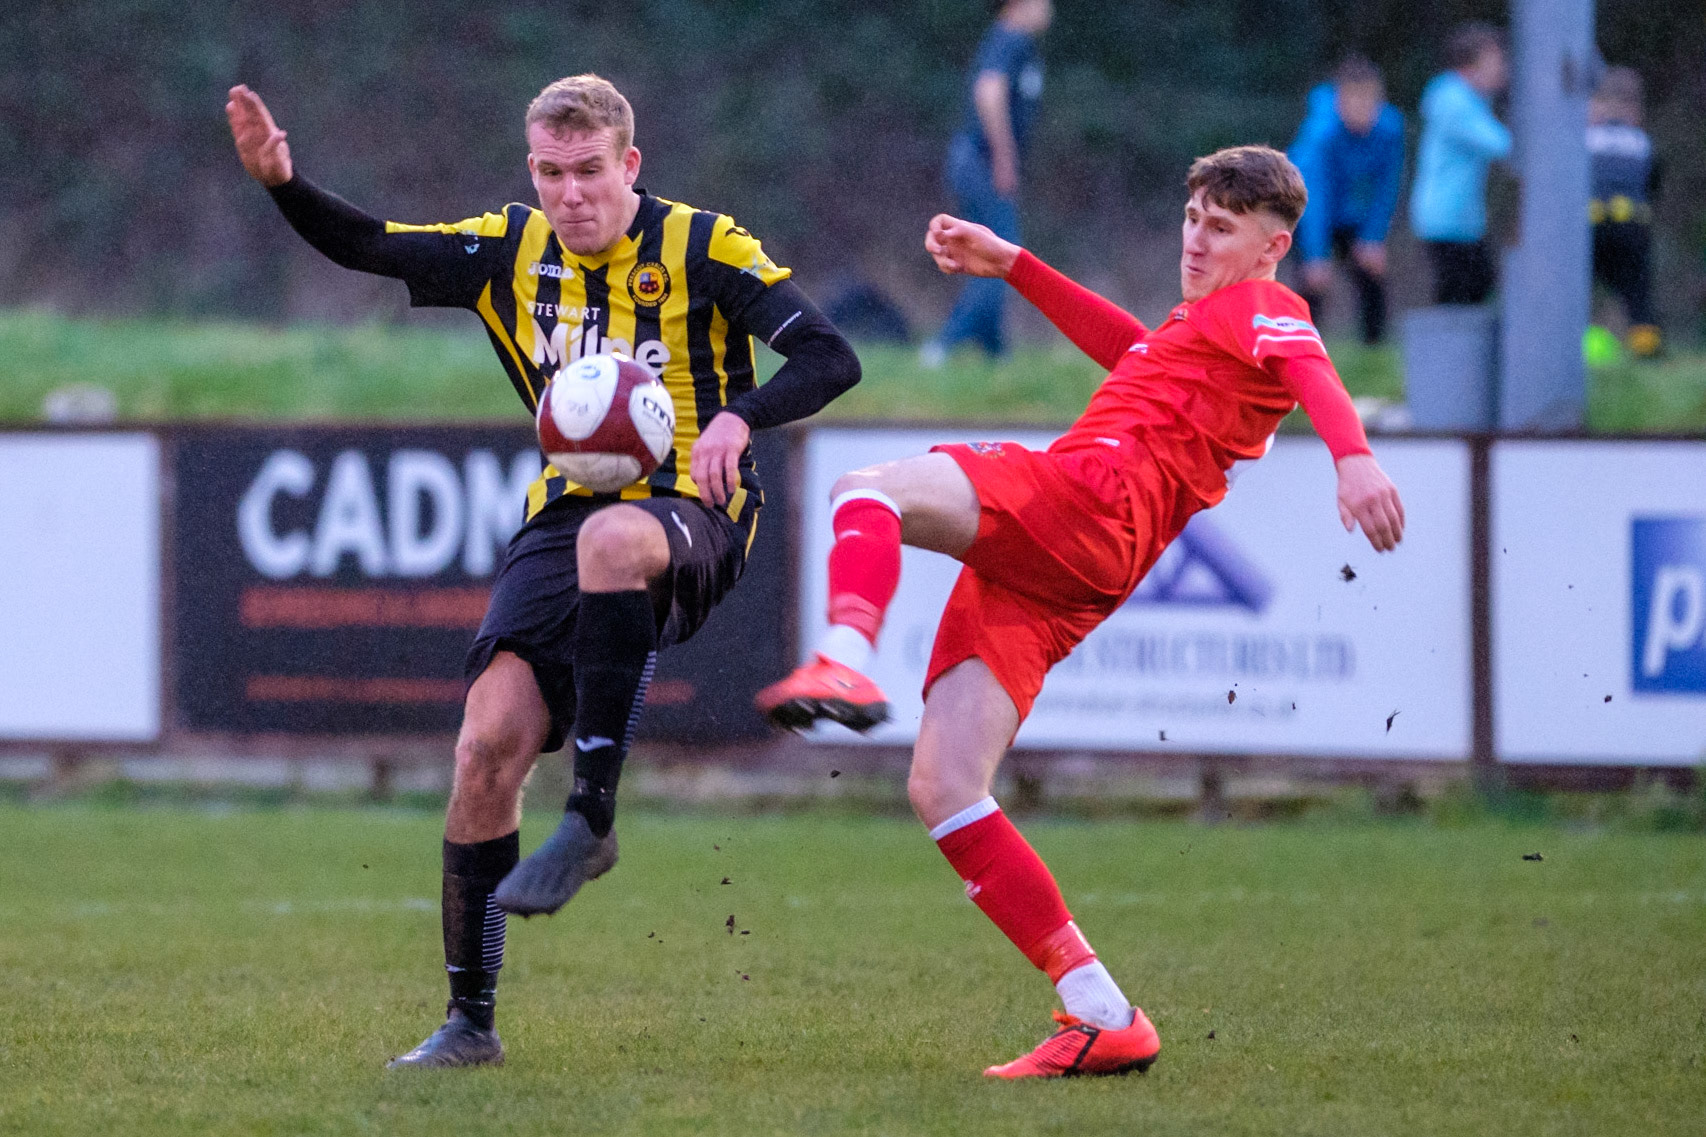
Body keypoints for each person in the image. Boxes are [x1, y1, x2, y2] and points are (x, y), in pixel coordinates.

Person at [227, 75, 860, 1068]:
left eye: (590, 171)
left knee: (615, 544)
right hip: (563, 517)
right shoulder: (508, 249)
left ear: (630, 164)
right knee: (484, 748)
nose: (571, 194)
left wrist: (740, 419)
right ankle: (468, 1025)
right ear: (532, 169)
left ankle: (591, 816)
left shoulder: (704, 246)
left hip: (696, 510)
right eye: (552, 173)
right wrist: (282, 183)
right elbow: (369, 245)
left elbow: (830, 357)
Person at [758, 146, 1404, 1078]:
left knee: (866, 489)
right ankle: (1102, 1010)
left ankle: (843, 657)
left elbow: (1313, 367)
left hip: (1089, 500)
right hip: (1086, 566)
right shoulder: (1201, 329)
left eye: (1222, 228)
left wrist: (1355, 457)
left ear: (1274, 247)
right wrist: (1013, 264)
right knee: (945, 785)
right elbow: (1130, 348)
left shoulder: (1262, 306)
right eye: (1192, 218)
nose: (1195, 240)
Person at [920, 0, 1053, 365]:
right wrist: (1003, 156)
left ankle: (996, 355)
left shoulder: (1016, 42)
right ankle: (943, 346)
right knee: (1001, 254)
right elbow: (989, 92)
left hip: (976, 160)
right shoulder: (1010, 38)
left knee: (995, 251)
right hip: (980, 161)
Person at [1288, 57, 1405, 344]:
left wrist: (1373, 237)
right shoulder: (1321, 135)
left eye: (1371, 102)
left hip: (1353, 211)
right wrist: (1316, 255)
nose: (1364, 110)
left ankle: (1374, 348)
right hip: (1308, 210)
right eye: (1355, 101)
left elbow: (1386, 187)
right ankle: (1303, 346)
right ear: (1339, 101)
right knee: (1312, 282)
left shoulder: (1390, 130)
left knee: (1371, 272)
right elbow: (1314, 197)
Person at [1411, 22, 1511, 305]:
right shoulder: (1454, 101)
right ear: (1470, 66)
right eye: (1495, 61)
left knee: (1475, 289)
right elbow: (1501, 145)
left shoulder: (1468, 98)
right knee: (1458, 296)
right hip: (1446, 219)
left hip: (1463, 221)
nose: (1502, 68)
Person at [1588, 66, 1662, 358]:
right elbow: (1652, 183)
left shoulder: (1586, 139)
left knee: (1584, 287)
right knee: (1637, 290)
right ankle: (1646, 349)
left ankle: (1587, 348)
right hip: (1631, 225)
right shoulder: (1642, 142)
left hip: (1592, 225)